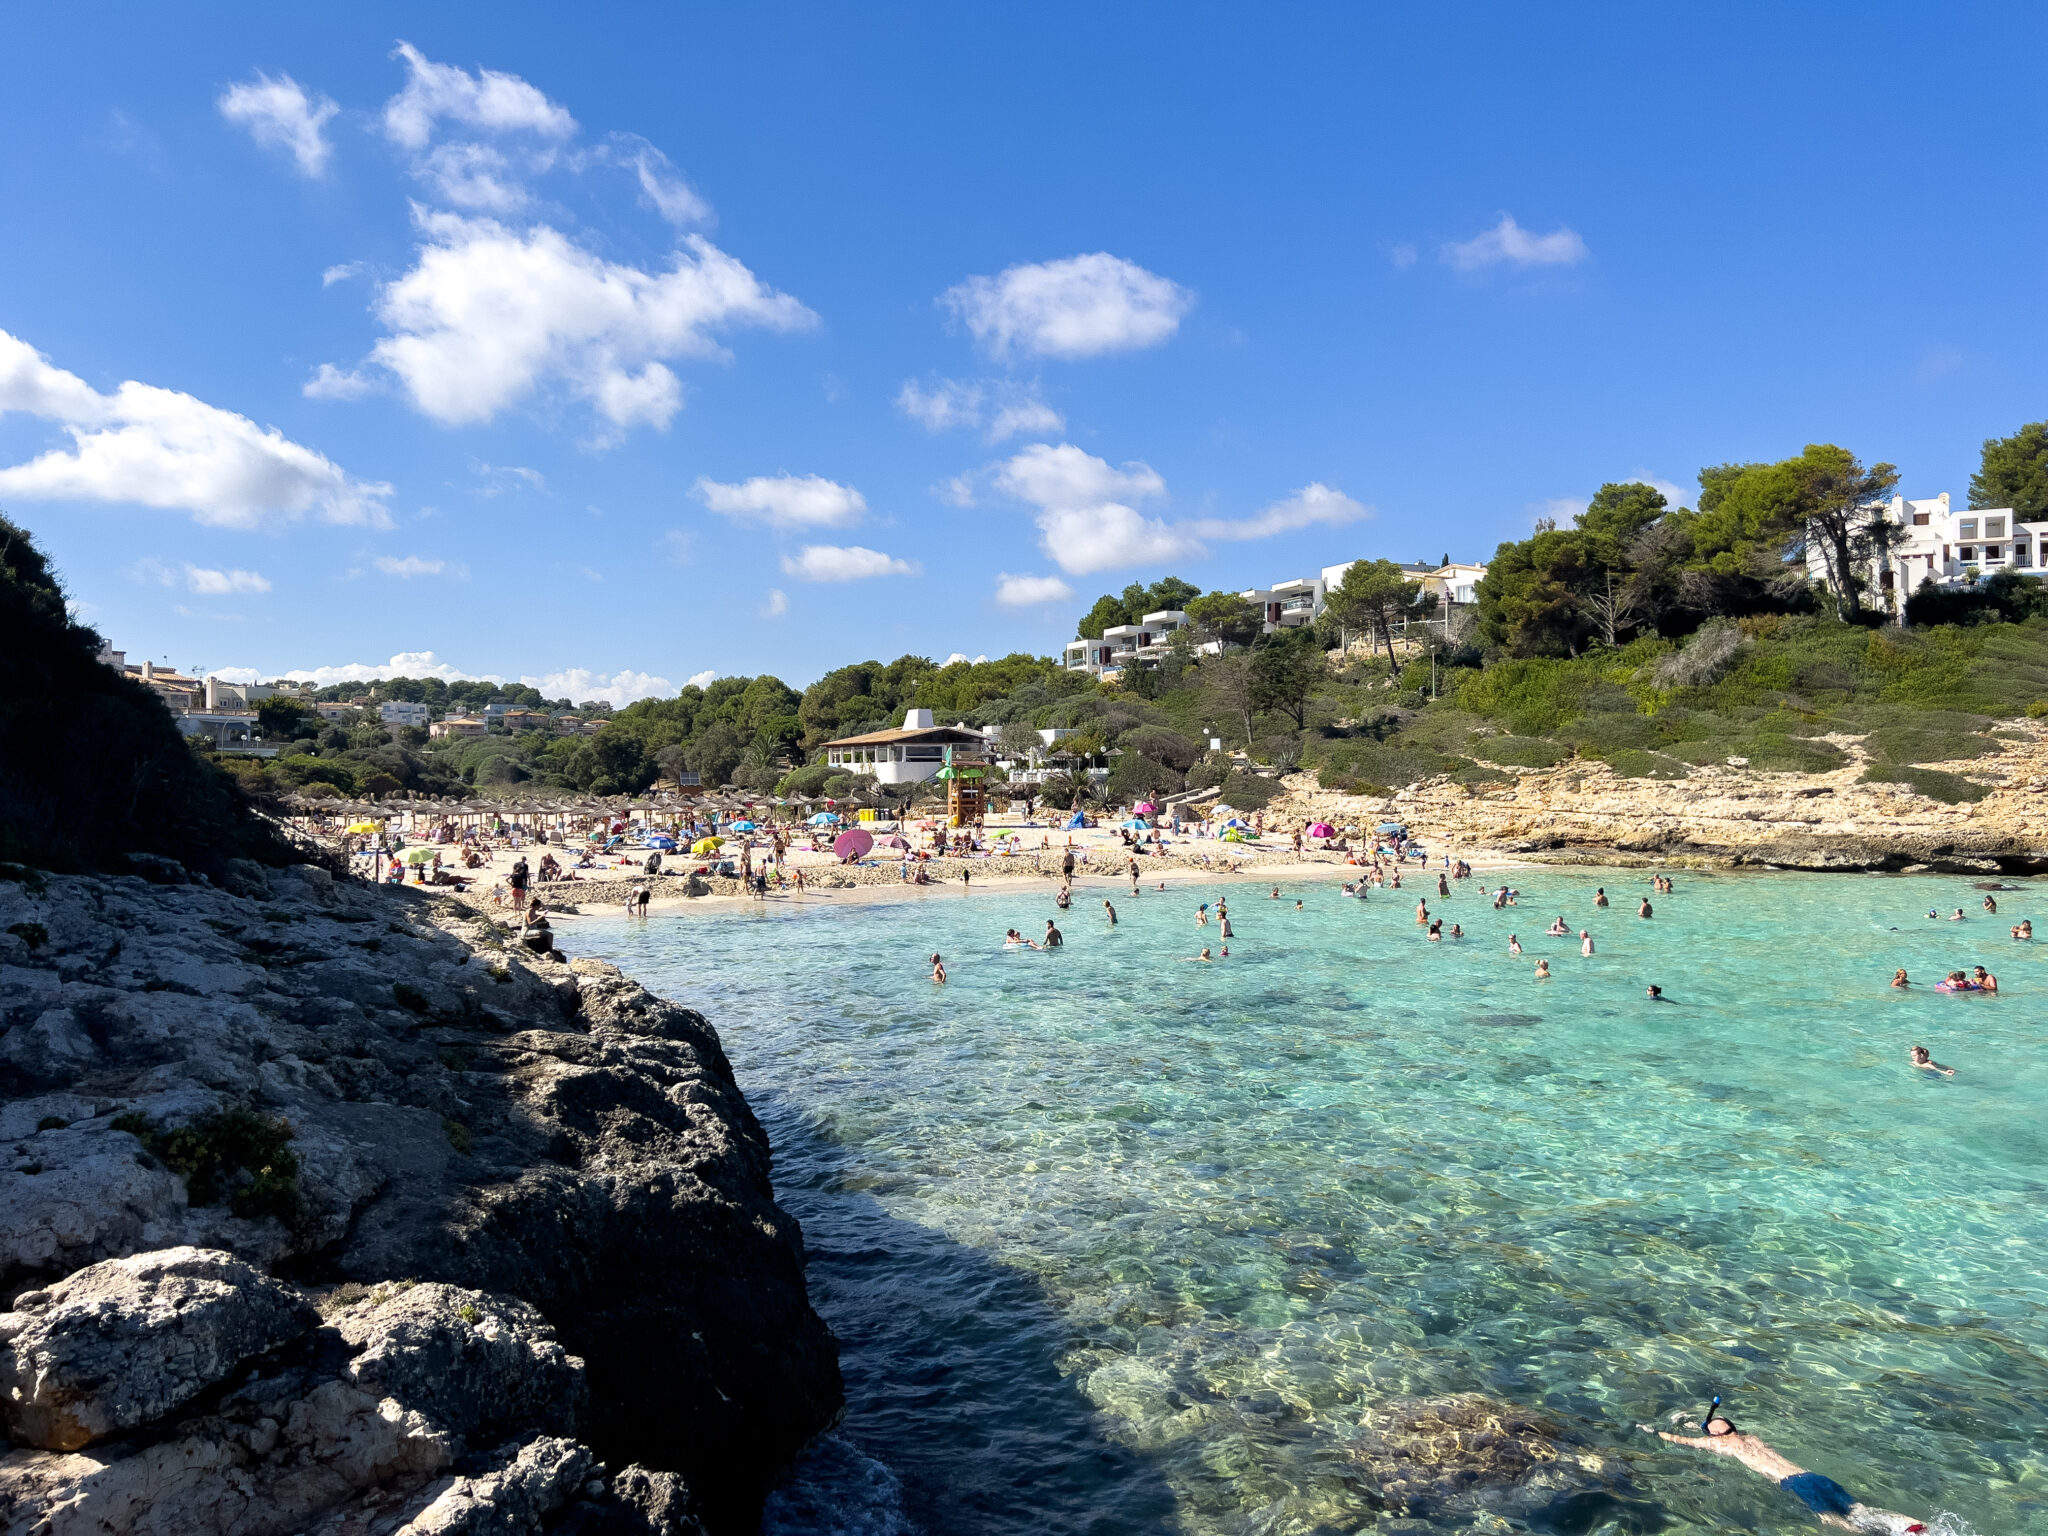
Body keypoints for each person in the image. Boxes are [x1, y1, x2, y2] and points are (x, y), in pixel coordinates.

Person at [1643, 1405, 1927, 1533]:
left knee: (1831, 1520)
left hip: (1793, 1483)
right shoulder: (1750, 1438)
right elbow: (1721, 1433)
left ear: (1713, 1436)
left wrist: (1653, 1432)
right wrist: (1705, 1427)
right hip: (1814, 1476)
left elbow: (1681, 1440)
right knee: (1859, 1509)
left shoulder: (1720, 1447)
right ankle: (1911, 1525)